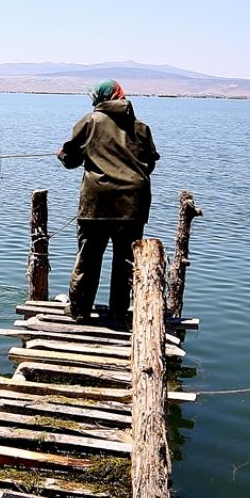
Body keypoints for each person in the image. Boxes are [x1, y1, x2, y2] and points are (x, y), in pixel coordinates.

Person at [57, 79, 160, 321]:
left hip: (97, 202)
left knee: (88, 257)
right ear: (120, 96)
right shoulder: (141, 128)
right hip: (133, 204)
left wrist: (62, 155)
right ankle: (118, 313)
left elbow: (71, 160)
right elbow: (150, 164)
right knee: (126, 259)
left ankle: (79, 311)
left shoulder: (90, 122)